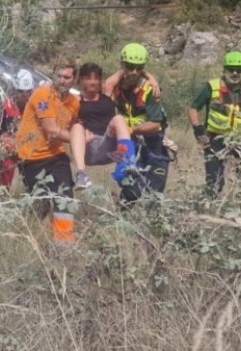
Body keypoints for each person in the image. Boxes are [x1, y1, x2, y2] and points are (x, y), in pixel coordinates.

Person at [14, 59, 80, 242]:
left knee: (64, 197)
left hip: (56, 156)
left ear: (75, 79)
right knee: (40, 205)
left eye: (67, 77)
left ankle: (64, 242)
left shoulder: (74, 102)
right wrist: (79, 138)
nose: (62, 80)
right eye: (58, 75)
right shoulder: (42, 94)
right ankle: (26, 239)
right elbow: (51, 130)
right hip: (31, 158)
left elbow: (77, 127)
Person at [187, 50, 241, 194]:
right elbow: (193, 108)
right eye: (231, 69)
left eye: (239, 70)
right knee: (214, 183)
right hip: (215, 139)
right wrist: (198, 128)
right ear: (224, 70)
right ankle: (206, 210)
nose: (235, 73)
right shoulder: (211, 87)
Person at [110, 43, 170, 206]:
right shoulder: (116, 87)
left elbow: (155, 125)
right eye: (130, 67)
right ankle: (120, 224)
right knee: (130, 189)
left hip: (154, 143)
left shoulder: (150, 89)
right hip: (130, 144)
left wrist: (131, 129)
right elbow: (106, 86)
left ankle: (155, 228)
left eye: (139, 68)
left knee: (154, 193)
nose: (134, 72)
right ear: (123, 65)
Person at [69, 62, 136, 190]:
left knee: (118, 119)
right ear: (81, 80)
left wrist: (151, 78)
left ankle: (127, 162)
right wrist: (83, 139)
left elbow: (126, 70)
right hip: (89, 147)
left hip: (109, 145)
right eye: (88, 78)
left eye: (96, 78)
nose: (93, 82)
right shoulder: (76, 100)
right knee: (77, 127)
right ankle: (81, 175)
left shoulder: (108, 94)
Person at [0, 69, 35, 188]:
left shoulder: (34, 106)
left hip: (27, 148)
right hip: (8, 148)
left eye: (28, 92)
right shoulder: (7, 105)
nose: (25, 95)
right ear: (15, 91)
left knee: (34, 180)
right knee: (3, 182)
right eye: (21, 92)